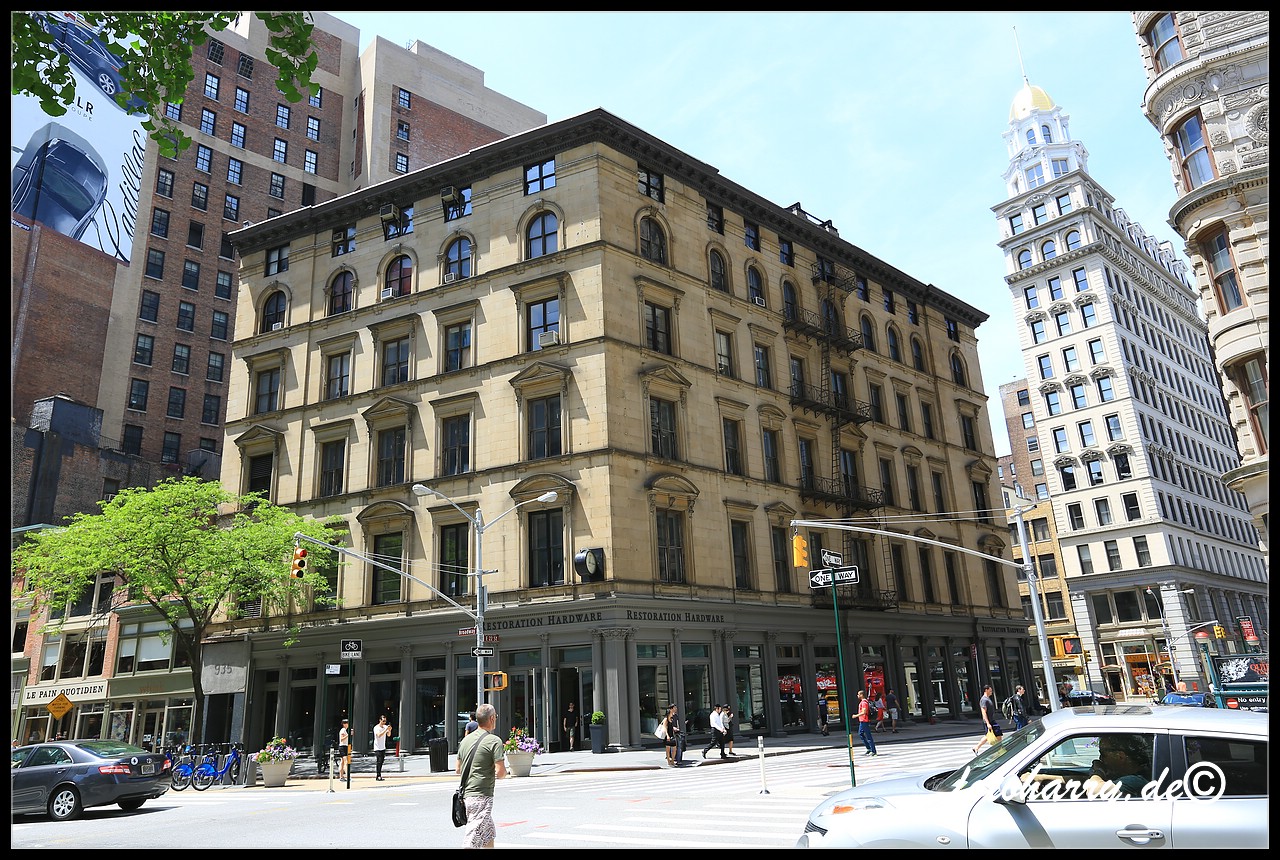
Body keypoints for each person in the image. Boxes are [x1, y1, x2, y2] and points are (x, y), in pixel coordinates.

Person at [456, 702, 507, 849]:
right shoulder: (494, 741)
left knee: (488, 834)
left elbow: (458, 769)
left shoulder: (465, 740)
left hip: (467, 796)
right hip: (482, 795)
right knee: (471, 841)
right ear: (491, 718)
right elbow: (500, 773)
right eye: (496, 716)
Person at [973, 685, 1003, 754]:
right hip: (989, 721)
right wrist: (988, 723)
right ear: (986, 690)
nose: (991, 692)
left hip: (991, 720)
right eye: (990, 690)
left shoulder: (987, 699)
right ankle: (1000, 749)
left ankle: (976, 747)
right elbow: (983, 712)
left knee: (989, 735)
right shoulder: (984, 700)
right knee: (998, 733)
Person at [856, 691, 878, 756]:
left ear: (862, 695)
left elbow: (864, 712)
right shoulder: (863, 702)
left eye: (858, 694)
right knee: (861, 734)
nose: (857, 695)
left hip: (864, 720)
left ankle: (873, 751)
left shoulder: (864, 702)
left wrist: (856, 715)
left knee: (868, 735)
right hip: (862, 720)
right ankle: (869, 748)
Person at [373, 714, 392, 781]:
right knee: (379, 761)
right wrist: (385, 730)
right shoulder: (376, 728)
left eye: (385, 721)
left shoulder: (385, 727)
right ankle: (378, 775)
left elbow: (389, 735)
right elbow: (379, 735)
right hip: (377, 747)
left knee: (381, 761)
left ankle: (379, 775)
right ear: (380, 720)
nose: (384, 722)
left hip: (383, 747)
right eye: (383, 721)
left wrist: (389, 730)